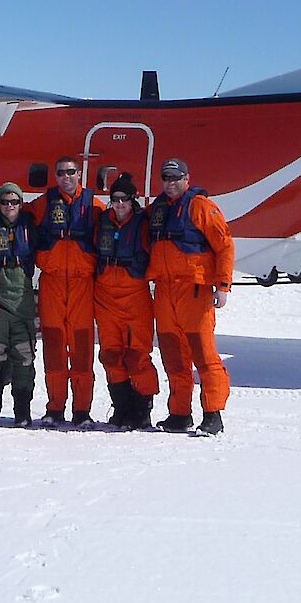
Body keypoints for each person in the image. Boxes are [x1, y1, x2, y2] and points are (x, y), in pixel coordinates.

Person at [146, 158, 235, 435]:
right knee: (173, 356)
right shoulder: (157, 209)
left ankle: (213, 414)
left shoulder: (201, 207)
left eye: (176, 178)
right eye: (166, 178)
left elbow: (225, 246)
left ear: (187, 179)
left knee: (204, 355)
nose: (170, 183)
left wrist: (222, 285)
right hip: (164, 290)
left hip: (194, 291)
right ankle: (179, 413)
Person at [26, 156, 106, 428]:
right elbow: (16, 215)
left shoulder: (95, 206)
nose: (65, 177)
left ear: (79, 173)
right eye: (60, 173)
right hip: (53, 282)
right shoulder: (43, 204)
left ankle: (82, 411)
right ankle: (55, 408)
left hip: (83, 283)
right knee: (54, 348)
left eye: (70, 172)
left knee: (82, 350)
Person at [93, 173, 159, 430]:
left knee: (138, 356)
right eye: (115, 199)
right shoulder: (102, 222)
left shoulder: (143, 224)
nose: (119, 204)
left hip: (135, 298)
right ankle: (121, 408)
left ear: (133, 201)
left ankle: (142, 409)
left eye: (124, 199)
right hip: (106, 297)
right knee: (110, 354)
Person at [0, 182, 37, 426]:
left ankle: (22, 411)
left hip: (21, 299)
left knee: (24, 356)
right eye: (4, 202)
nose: (9, 206)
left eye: (14, 202)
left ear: (21, 204)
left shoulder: (30, 225)